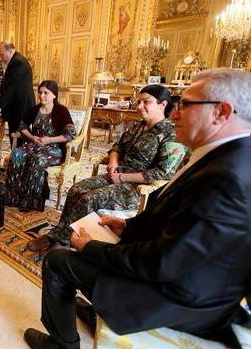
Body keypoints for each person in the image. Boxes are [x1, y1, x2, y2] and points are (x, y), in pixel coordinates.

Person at [24, 68, 251, 349]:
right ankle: (97, 310)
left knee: (58, 261)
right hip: (191, 280)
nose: (176, 114)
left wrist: (89, 247)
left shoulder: (229, 181)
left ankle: (63, 348)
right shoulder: (235, 160)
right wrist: (128, 228)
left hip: (180, 300)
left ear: (221, 112)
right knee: (96, 224)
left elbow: (160, 263)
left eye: (185, 105)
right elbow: (183, 228)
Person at [27, 84, 178, 252]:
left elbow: (163, 172)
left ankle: (56, 238)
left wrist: (123, 178)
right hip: (117, 174)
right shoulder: (137, 126)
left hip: (137, 187)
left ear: (162, 104)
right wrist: (113, 161)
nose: (139, 106)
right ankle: (63, 236)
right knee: (76, 189)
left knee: (88, 199)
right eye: (139, 101)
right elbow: (117, 146)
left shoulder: (170, 133)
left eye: (146, 102)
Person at [4, 80, 76, 212]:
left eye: (46, 93)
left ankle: (30, 201)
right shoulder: (35, 109)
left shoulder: (61, 110)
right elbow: (21, 126)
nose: (42, 96)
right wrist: (32, 137)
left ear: (54, 95)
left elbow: (70, 134)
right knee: (17, 154)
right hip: (35, 144)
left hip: (54, 149)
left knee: (37, 160)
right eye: (40, 92)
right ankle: (13, 197)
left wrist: (49, 139)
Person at [0, 41, 35, 146]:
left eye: (1, 54)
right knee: (16, 134)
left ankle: (19, 159)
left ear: (10, 50)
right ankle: (15, 157)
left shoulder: (18, 62)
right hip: (17, 106)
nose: (0, 57)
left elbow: (10, 88)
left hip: (20, 107)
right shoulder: (15, 60)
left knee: (19, 135)